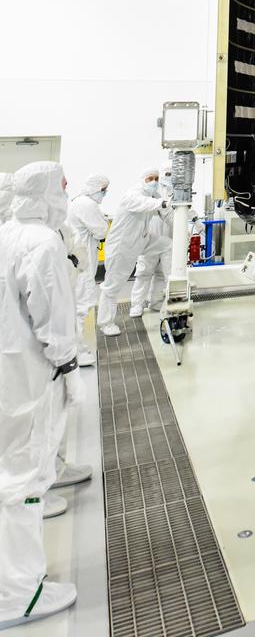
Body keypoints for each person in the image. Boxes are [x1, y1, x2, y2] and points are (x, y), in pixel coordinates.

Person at [0, 161, 86, 627]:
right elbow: (52, 315)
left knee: (12, 474)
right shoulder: (41, 242)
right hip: (32, 378)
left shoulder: (8, 233)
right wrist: (68, 363)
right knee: (24, 483)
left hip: (11, 375)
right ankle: (17, 594)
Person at [96, 168, 162, 337]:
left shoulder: (153, 196)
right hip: (122, 247)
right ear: (142, 180)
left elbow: (165, 211)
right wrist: (161, 203)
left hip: (141, 242)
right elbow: (141, 203)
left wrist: (192, 220)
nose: (154, 181)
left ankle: (159, 298)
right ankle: (106, 323)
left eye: (156, 178)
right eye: (150, 178)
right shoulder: (133, 194)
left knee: (166, 244)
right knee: (113, 286)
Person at [66, 173, 110, 366]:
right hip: (83, 261)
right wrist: (102, 224)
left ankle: (76, 348)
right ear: (94, 187)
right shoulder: (87, 204)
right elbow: (101, 231)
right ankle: (77, 352)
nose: (105, 193)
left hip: (80, 259)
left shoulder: (79, 201)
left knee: (79, 305)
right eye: (103, 189)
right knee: (81, 306)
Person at [128, 166, 173, 317]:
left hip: (168, 238)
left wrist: (186, 225)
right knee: (144, 272)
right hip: (150, 237)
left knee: (161, 273)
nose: (154, 181)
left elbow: (174, 213)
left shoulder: (174, 191)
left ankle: (155, 302)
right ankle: (137, 305)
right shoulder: (149, 193)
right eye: (167, 174)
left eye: (172, 174)